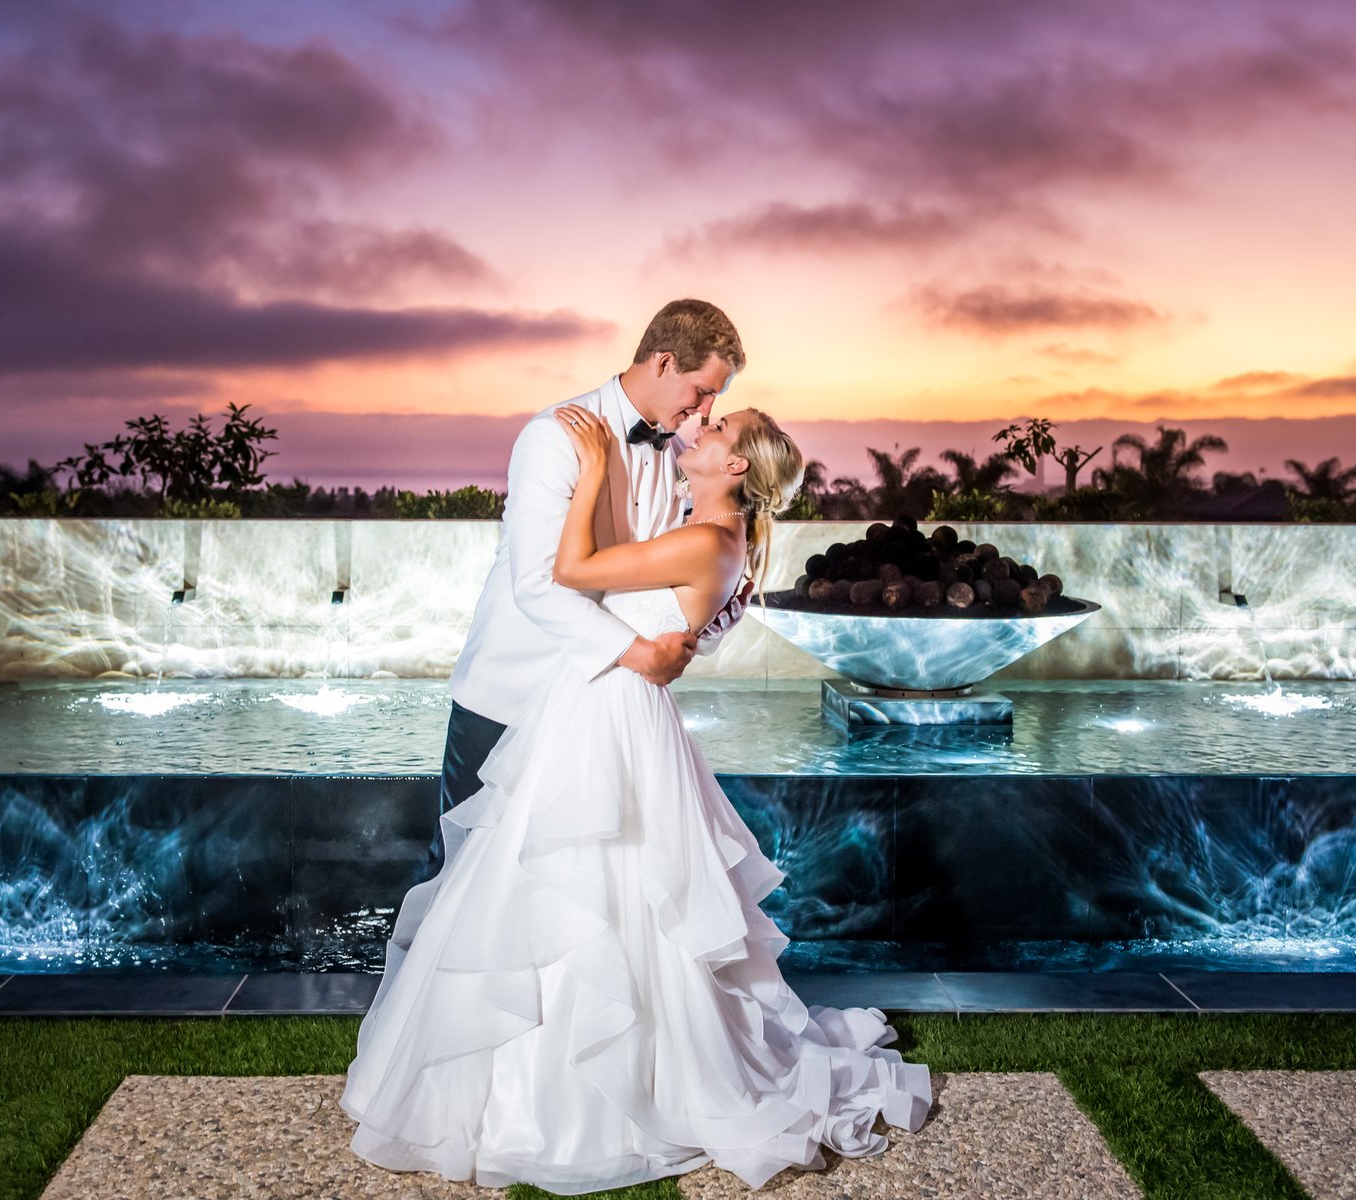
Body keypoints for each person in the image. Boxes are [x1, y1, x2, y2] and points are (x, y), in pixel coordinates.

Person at [339, 391, 934, 1192]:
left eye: (720, 427)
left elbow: (572, 571)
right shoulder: (713, 539)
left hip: (610, 712)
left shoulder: (703, 541)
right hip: (604, 704)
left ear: (734, 466)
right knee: (586, 886)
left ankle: (591, 1090)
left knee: (592, 884)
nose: (702, 424)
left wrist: (589, 470)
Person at [424, 299, 753, 880]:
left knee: (561, 886)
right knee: (463, 876)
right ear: (665, 362)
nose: (705, 410)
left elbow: (663, 578)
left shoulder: (676, 454)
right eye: (702, 391)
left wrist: (706, 620)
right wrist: (639, 653)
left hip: (592, 709)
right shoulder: (554, 436)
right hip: (511, 693)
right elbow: (537, 583)